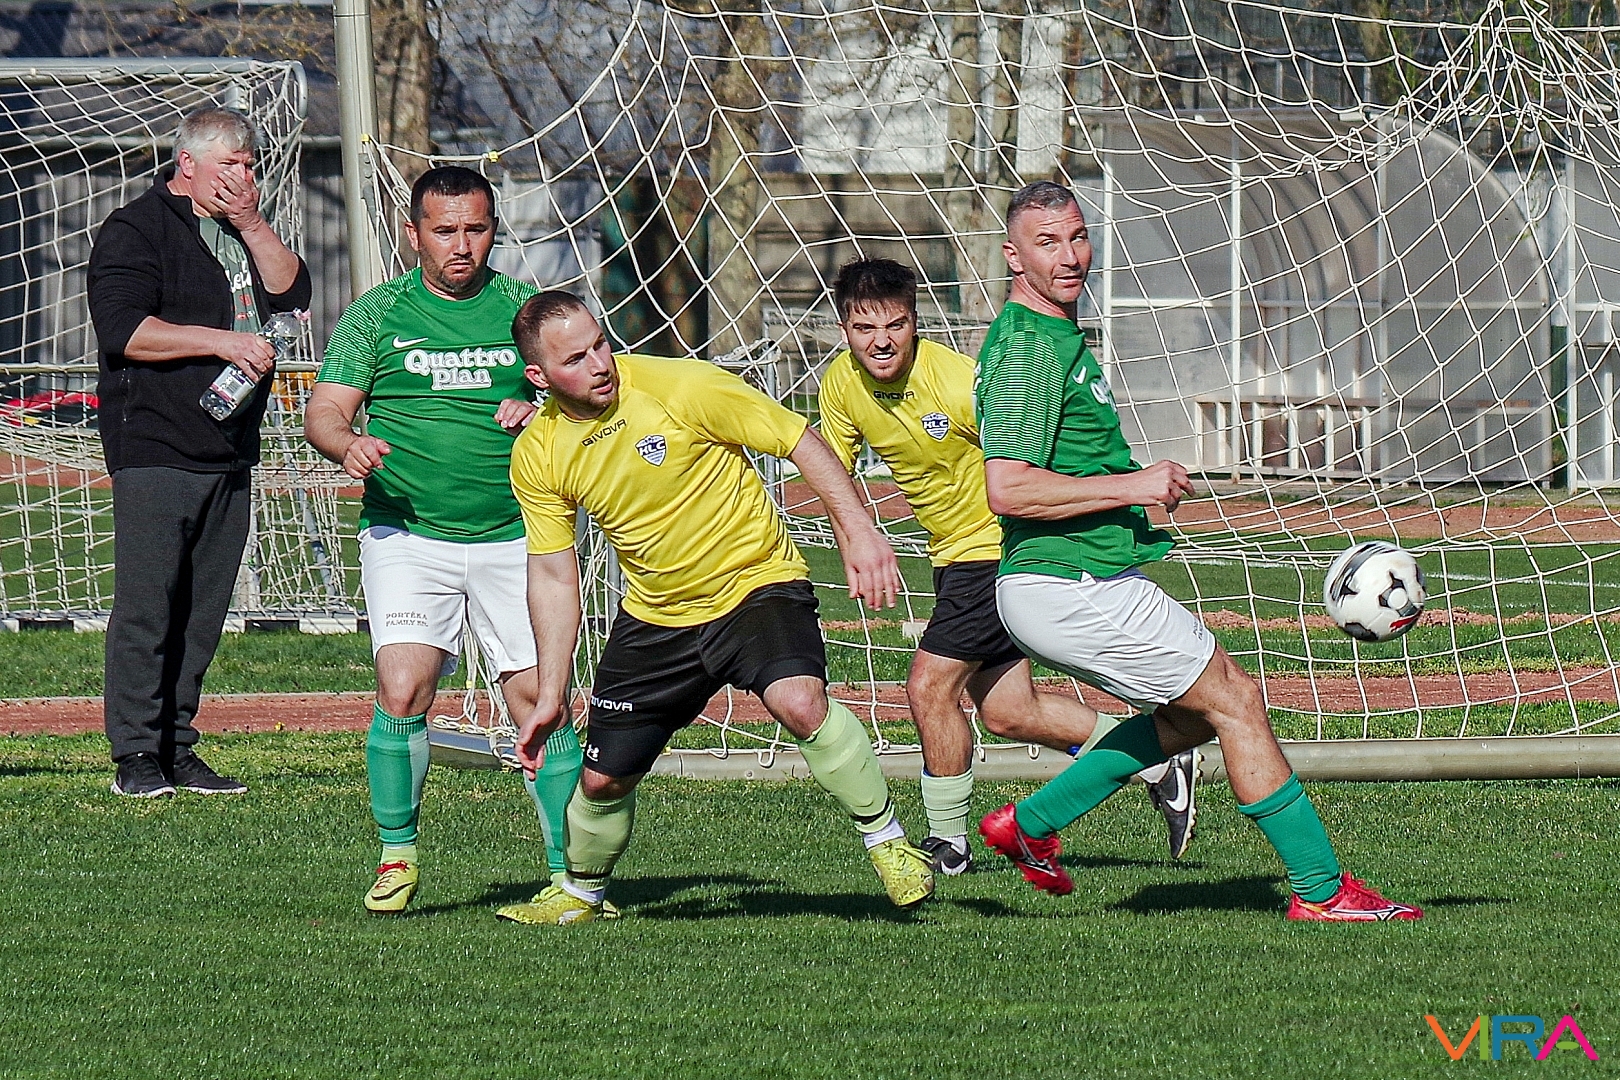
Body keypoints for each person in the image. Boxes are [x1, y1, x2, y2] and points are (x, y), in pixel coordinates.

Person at [974, 181, 1422, 921]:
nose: (1069, 256)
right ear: (1013, 257)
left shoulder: (1054, 335)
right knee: (1237, 701)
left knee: (1190, 718)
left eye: (1078, 236)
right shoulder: (1027, 346)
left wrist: (1131, 496)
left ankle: (1030, 824)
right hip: (1069, 583)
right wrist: (1135, 483)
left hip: (1078, 578)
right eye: (1046, 242)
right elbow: (1009, 488)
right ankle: (1321, 891)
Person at [493, 291, 935, 926]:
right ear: (538, 377)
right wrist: (551, 692)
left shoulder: (681, 386)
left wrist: (859, 531)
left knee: (800, 701)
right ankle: (581, 894)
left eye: (600, 344)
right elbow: (555, 575)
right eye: (575, 359)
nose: (600, 364)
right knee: (602, 781)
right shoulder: (539, 452)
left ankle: (889, 844)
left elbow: (799, 439)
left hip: (755, 583)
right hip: (657, 615)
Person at [817, 257, 1200, 874]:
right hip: (951, 557)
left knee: (928, 687)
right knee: (1007, 712)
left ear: (916, 322)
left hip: (994, 550)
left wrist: (1116, 493)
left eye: (895, 325)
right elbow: (833, 475)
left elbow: (1032, 458)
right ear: (844, 330)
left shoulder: (959, 383)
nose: (881, 342)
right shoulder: (840, 384)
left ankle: (948, 844)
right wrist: (855, 543)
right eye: (865, 329)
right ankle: (1156, 757)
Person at [304, 166, 583, 915]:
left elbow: (594, 399)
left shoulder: (527, 310)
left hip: (518, 534)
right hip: (407, 530)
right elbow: (324, 411)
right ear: (413, 233)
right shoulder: (377, 314)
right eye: (445, 230)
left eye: (477, 229)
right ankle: (397, 856)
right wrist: (347, 444)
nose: (462, 245)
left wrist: (542, 413)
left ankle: (571, 876)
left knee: (541, 701)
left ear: (494, 230)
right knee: (403, 687)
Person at [88, 107, 311, 798]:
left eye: (250, 165)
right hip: (156, 441)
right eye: (230, 165)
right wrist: (223, 343)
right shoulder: (136, 228)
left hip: (230, 445)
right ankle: (135, 753)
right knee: (149, 606)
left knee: (203, 611)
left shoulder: (242, 231)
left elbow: (294, 292)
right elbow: (125, 330)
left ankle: (178, 746)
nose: (243, 176)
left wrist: (253, 223)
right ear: (187, 164)